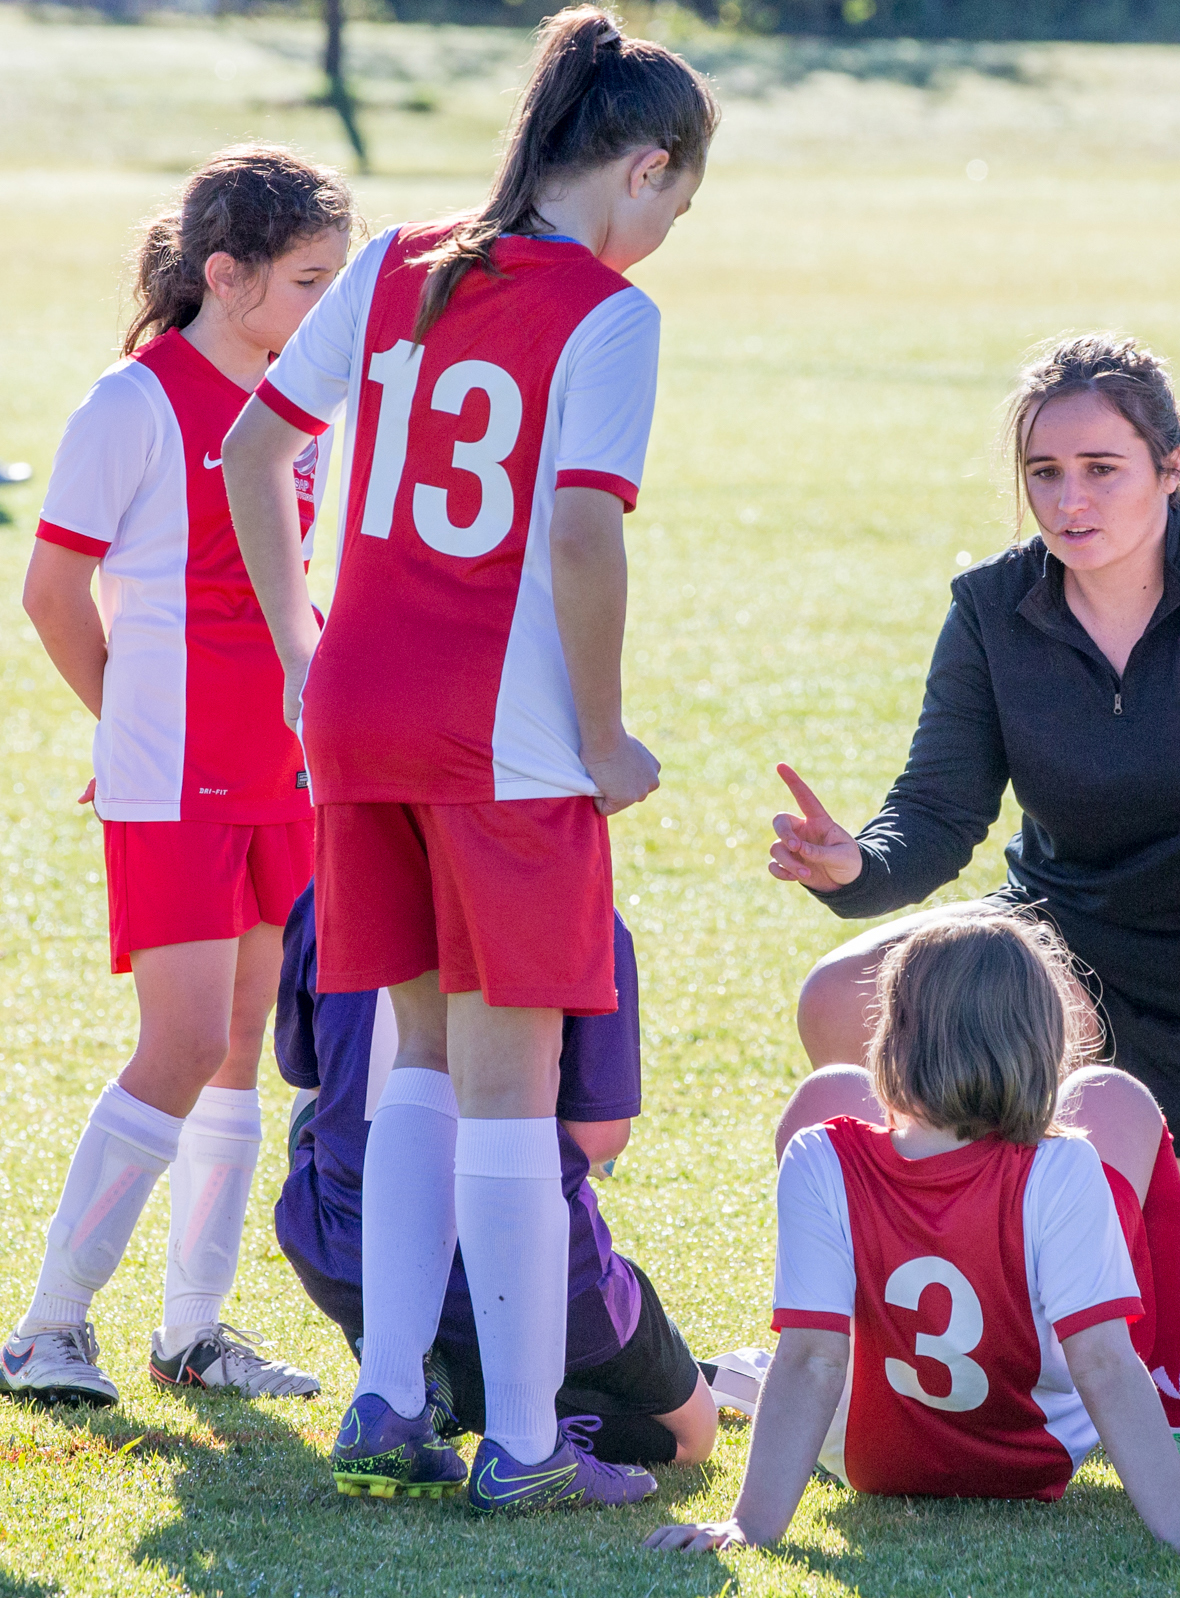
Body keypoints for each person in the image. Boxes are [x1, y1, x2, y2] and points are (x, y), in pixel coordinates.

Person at [219, 5, 715, 1510]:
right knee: (516, 1084)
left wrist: (310, 653)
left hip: (359, 714)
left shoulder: (395, 260)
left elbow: (255, 449)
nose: (665, 240)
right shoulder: (607, 312)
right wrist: (608, 732)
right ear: (643, 166)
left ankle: (384, 1401)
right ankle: (518, 1439)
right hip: (497, 738)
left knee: (417, 1057)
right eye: (676, 207)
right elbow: (576, 528)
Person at [768, 334, 1180, 1400]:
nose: (1069, 499)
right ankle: (928, 1286)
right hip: (1061, 954)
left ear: (1171, 468)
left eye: (1103, 469)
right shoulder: (993, 608)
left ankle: (1027, 1293)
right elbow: (937, 813)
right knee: (841, 994)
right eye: (1045, 472)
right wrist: (854, 864)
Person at [5, 146, 352, 1407]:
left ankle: (195, 1332)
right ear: (226, 275)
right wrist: (130, 732)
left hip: (280, 774)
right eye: (310, 280)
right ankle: (47, 1324)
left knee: (236, 1047)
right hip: (175, 773)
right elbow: (51, 595)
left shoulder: (299, 401)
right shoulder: (132, 404)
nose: (329, 304)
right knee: (183, 1038)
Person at [645, 912, 1180, 1558]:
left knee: (825, 1095)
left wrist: (750, 1525)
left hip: (868, 1459)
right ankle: (1179, 1408)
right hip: (1032, 1459)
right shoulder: (1062, 1165)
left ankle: (749, 1381)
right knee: (1122, 1102)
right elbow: (1104, 1363)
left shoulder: (820, 1155)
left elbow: (812, 1357)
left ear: (892, 1037)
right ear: (1041, 1044)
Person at [274, 883, 717, 1477]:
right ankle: (507, 1422)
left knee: (336, 1103)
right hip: (528, 1272)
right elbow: (599, 1137)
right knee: (693, 1435)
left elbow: (305, 1079)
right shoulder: (569, 895)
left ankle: (406, 1375)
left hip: (339, 1248)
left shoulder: (328, 887)